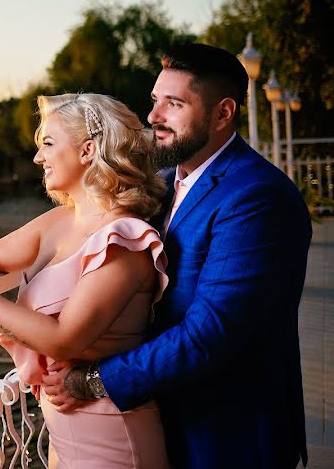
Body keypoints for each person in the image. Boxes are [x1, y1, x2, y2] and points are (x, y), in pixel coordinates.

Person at [41, 43, 312, 468]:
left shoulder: (257, 197)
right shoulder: (164, 183)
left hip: (225, 434)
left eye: (174, 103)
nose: (153, 117)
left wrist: (93, 381)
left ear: (223, 114)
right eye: (154, 101)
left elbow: (208, 334)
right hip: (160, 420)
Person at [0, 92, 171, 467]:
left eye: (47, 144)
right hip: (62, 429)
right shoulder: (58, 222)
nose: (37, 157)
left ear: (88, 150)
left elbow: (64, 341)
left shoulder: (124, 238)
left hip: (112, 432)